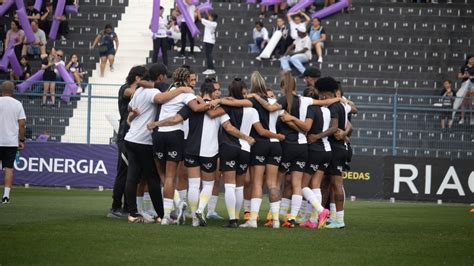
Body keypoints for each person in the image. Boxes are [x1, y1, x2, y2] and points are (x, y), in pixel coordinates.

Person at [124, 64, 195, 223]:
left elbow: (130, 107)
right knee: (153, 178)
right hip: (144, 140)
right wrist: (183, 89)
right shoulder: (153, 92)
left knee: (133, 177)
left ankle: (133, 213)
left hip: (131, 138)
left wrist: (134, 114)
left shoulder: (139, 91)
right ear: (160, 77)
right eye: (165, 76)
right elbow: (161, 99)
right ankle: (162, 215)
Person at [152, 66, 210, 225]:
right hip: (174, 134)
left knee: (163, 176)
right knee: (172, 176)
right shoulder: (186, 93)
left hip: (158, 133)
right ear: (186, 80)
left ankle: (174, 207)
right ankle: (166, 216)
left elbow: (159, 99)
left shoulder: (169, 89)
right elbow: (196, 108)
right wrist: (210, 104)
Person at [239, 71, 286, 229]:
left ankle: (252, 220)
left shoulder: (250, 101)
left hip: (259, 143)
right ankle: (276, 221)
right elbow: (286, 117)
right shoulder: (273, 101)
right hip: (275, 145)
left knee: (257, 183)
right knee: (273, 184)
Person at [282, 87, 334, 229]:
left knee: (303, 185)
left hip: (315, 149)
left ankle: (320, 210)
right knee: (315, 184)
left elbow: (306, 127)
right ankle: (313, 219)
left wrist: (291, 118)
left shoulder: (311, 109)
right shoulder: (326, 110)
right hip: (327, 150)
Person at [107, 65, 148, 219]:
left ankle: (126, 207)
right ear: (137, 78)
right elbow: (131, 93)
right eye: (146, 78)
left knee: (133, 174)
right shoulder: (125, 89)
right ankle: (115, 207)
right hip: (125, 136)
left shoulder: (140, 92)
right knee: (123, 172)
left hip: (136, 135)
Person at [314, 77, 349, 229]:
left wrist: (317, 136)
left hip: (336, 148)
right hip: (338, 148)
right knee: (327, 184)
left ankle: (339, 220)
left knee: (336, 184)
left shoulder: (334, 106)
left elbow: (334, 128)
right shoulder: (342, 105)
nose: (322, 98)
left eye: (324, 95)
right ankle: (329, 217)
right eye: (320, 95)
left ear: (333, 94)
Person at [0, 81, 26, 204]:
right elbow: (22, 125)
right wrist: (21, 140)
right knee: (9, 169)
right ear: (12, 91)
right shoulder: (17, 104)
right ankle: (6, 197)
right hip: (10, 142)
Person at [197, 10, 218, 75]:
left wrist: (198, 12)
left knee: (208, 55)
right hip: (211, 41)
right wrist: (206, 12)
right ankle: (211, 69)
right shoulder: (214, 23)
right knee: (209, 54)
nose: (209, 17)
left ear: (212, 18)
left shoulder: (208, 23)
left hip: (208, 41)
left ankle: (210, 69)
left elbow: (200, 19)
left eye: (210, 16)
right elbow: (209, 17)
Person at [457, 55, 474, 125]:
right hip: (465, 84)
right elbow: (459, 76)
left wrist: (472, 76)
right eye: (472, 59)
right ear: (468, 60)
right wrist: (464, 76)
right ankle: (462, 118)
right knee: (463, 102)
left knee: (471, 103)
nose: (473, 60)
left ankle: (472, 119)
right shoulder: (463, 67)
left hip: (473, 83)